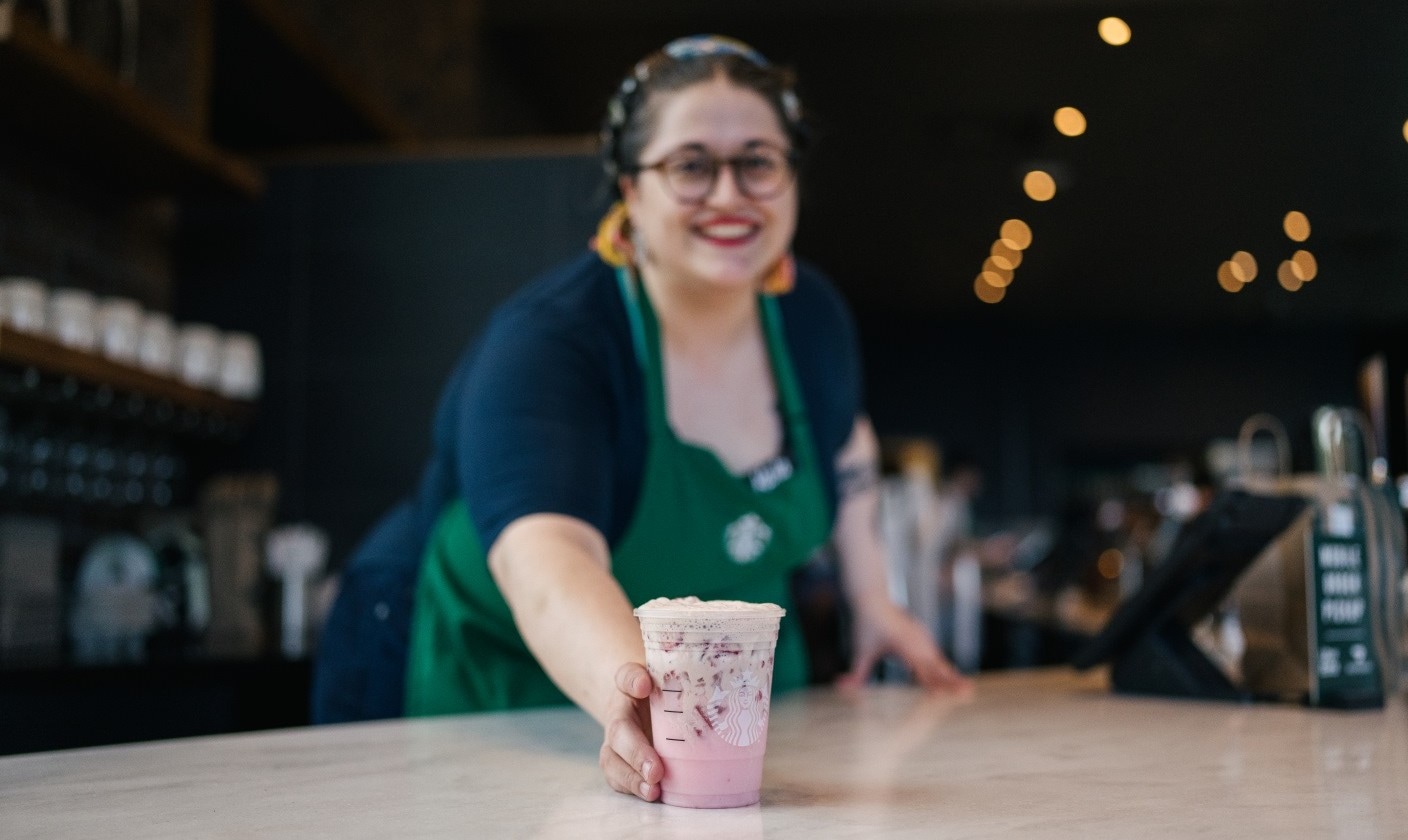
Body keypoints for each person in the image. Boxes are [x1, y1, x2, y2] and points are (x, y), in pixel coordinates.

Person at [313, 34, 967, 803]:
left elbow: (843, 437)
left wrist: (874, 598)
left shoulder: (811, 316)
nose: (729, 195)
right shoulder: (553, 342)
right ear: (630, 186)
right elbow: (548, 564)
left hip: (718, 698)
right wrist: (642, 699)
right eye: (691, 165)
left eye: (758, 161)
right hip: (495, 674)